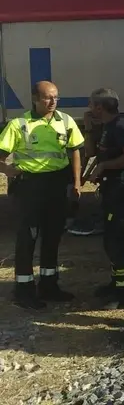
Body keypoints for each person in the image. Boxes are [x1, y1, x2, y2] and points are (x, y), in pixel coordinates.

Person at [0, 81, 85, 309]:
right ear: (35, 99)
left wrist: (77, 182)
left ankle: (49, 285)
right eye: (47, 98)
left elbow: (75, 150)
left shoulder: (65, 121)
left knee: (53, 236)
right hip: (30, 187)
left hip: (56, 185)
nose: (52, 102)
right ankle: (24, 290)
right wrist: (8, 169)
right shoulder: (19, 124)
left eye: (56, 97)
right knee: (28, 237)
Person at [84, 88, 124, 310]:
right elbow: (90, 152)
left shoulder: (122, 126)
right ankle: (117, 284)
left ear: (99, 107)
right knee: (112, 241)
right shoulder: (106, 128)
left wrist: (104, 166)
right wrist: (89, 129)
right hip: (112, 192)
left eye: (91, 105)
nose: (89, 108)